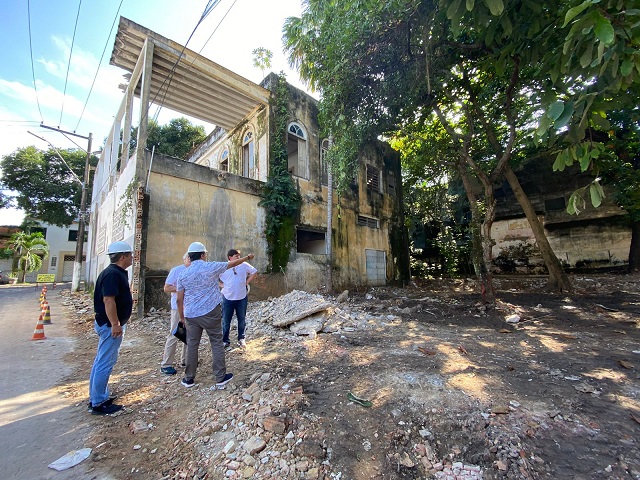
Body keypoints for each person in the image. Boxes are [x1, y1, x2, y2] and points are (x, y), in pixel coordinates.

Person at [176, 242, 254, 389]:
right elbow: (232, 264)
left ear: (190, 257)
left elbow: (179, 298)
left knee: (192, 345)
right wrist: (246, 258)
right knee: (216, 342)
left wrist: (181, 317)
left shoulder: (183, 274)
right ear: (202, 255)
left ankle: (189, 378)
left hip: (191, 315)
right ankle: (220, 377)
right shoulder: (210, 266)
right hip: (210, 312)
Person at [88, 241, 133, 415]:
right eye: (129, 255)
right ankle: (98, 402)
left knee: (102, 360)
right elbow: (108, 300)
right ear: (123, 257)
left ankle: (98, 395)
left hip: (109, 324)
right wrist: (115, 323)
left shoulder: (116, 273)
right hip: (109, 325)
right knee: (105, 362)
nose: (131, 258)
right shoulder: (112, 274)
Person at [160, 253, 190, 375]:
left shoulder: (195, 271)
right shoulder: (177, 270)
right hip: (178, 308)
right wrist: (180, 289)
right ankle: (166, 364)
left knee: (189, 334)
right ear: (185, 259)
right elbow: (167, 288)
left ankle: (186, 360)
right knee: (174, 333)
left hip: (191, 308)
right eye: (189, 257)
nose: (191, 260)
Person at [220, 249, 257, 350]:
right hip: (228, 298)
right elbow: (214, 277)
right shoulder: (224, 266)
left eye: (239, 256)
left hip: (241, 297)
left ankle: (241, 338)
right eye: (236, 256)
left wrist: (246, 282)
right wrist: (221, 285)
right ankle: (225, 340)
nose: (238, 258)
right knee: (226, 321)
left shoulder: (244, 265)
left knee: (241, 319)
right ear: (230, 258)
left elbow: (254, 271)